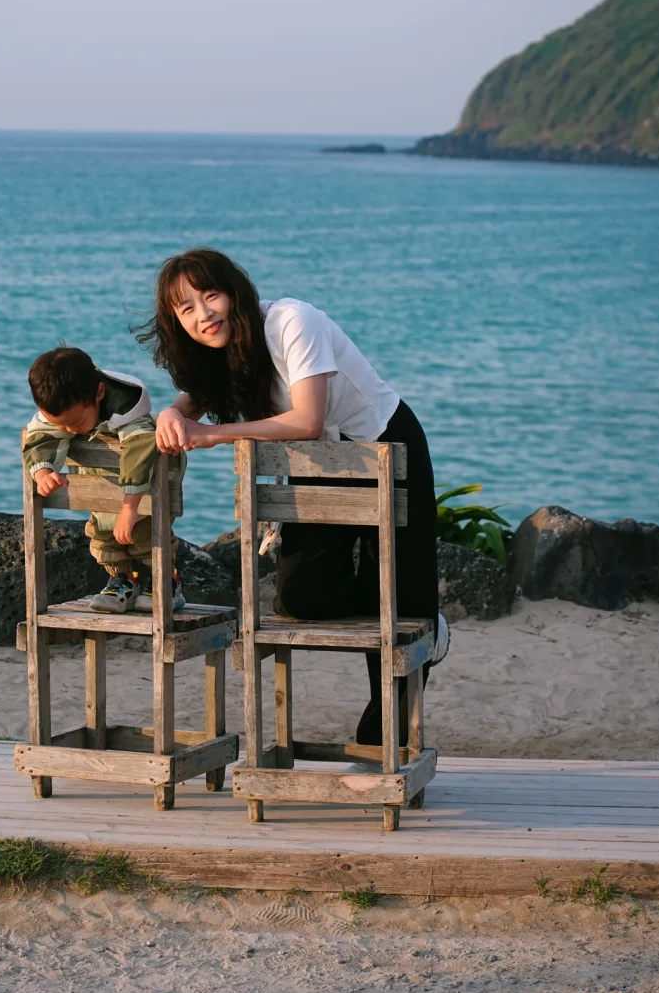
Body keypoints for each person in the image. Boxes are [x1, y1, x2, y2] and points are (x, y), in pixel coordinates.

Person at [138, 248, 447, 744]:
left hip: (386, 446)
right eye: (186, 308)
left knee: (398, 602)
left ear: (235, 291)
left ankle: (382, 732)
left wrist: (210, 435)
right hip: (320, 464)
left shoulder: (291, 321)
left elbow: (305, 420)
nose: (203, 314)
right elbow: (195, 397)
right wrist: (172, 413)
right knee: (300, 597)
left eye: (210, 295)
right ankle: (404, 613)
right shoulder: (220, 351)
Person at [24, 346, 184, 615]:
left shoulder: (127, 409)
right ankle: (122, 581)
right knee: (102, 539)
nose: (70, 430)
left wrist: (130, 508)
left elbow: (141, 451)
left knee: (149, 538)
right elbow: (40, 438)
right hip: (101, 497)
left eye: (75, 423)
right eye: (61, 425)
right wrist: (43, 474)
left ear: (99, 393)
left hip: (142, 494)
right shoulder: (66, 406)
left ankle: (167, 582)